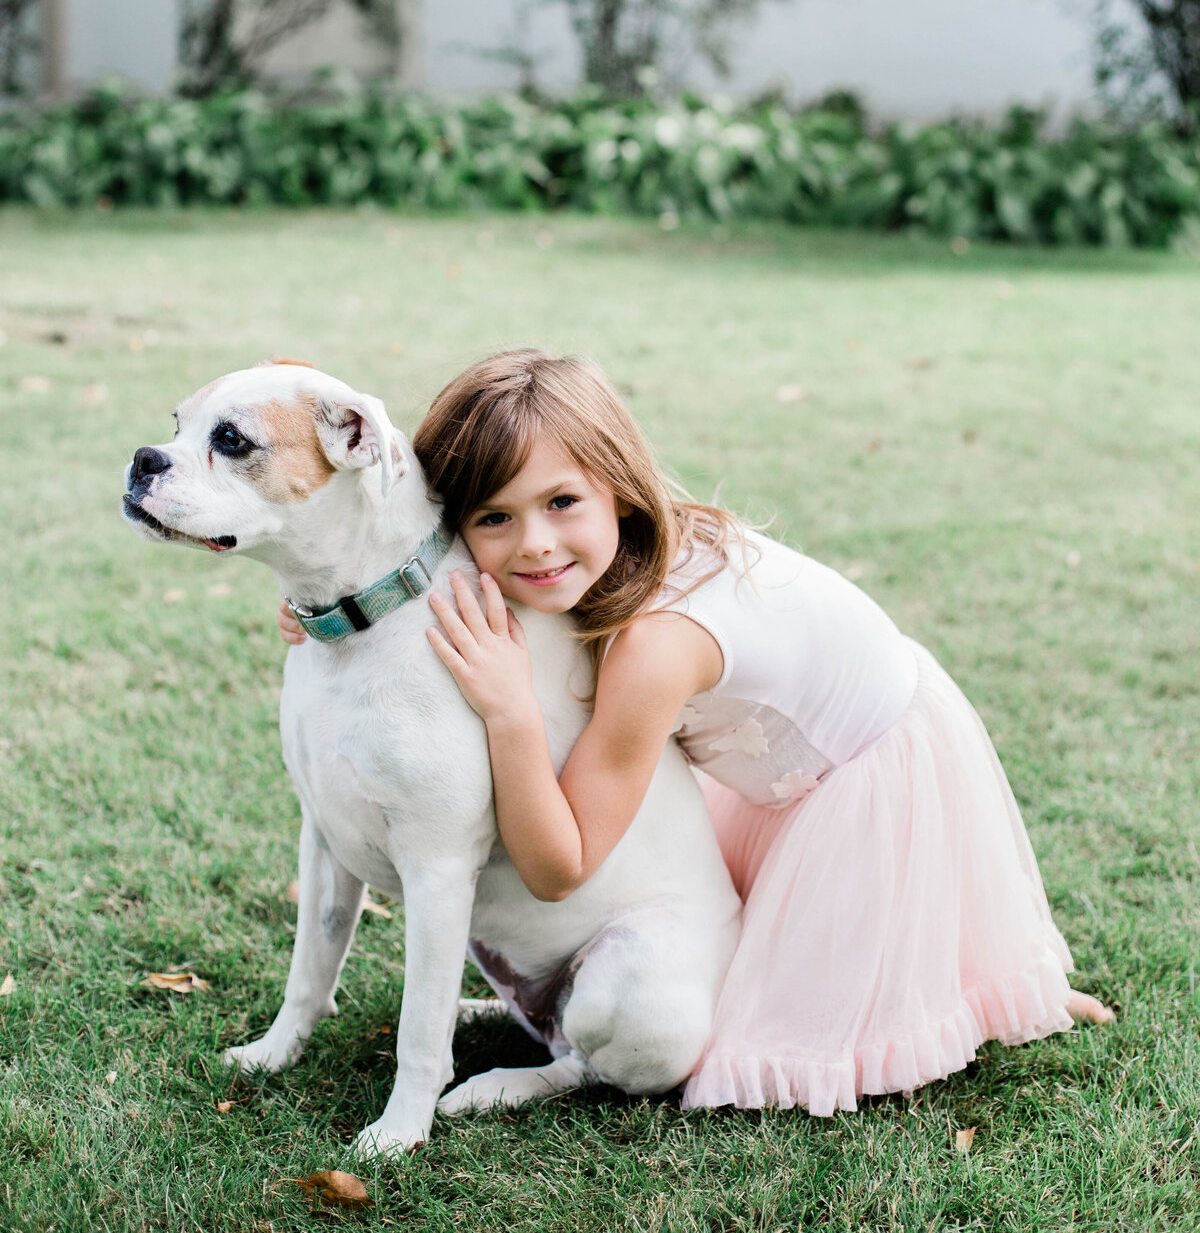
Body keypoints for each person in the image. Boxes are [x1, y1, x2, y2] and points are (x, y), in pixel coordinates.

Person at [277, 348, 1112, 1114]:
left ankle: (1011, 996)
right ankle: (1018, 990)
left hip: (865, 770)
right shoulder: (611, 551)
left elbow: (559, 867)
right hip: (793, 746)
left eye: (562, 502)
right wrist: (339, 613)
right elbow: (413, 560)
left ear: (619, 487)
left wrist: (510, 713)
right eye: (493, 518)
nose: (533, 544)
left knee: (832, 988)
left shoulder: (656, 646)